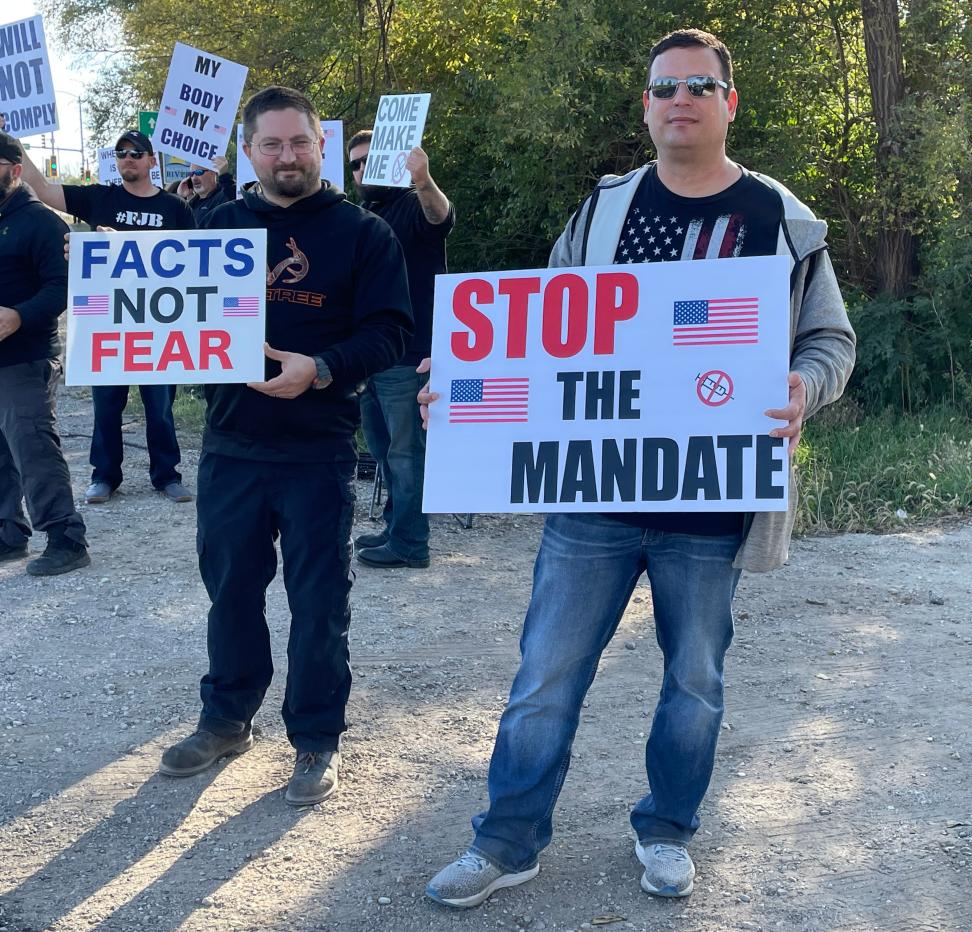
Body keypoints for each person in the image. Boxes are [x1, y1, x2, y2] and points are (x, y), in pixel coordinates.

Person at [424, 28, 856, 907]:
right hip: (595, 493)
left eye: (700, 86)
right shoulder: (606, 209)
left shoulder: (781, 218)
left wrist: (803, 389)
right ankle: (507, 840)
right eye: (666, 88)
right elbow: (536, 333)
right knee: (545, 675)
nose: (681, 100)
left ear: (729, 103)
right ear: (647, 106)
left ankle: (667, 829)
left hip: (712, 497)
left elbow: (830, 341)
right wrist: (467, 392)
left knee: (694, 682)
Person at [157, 86, 413, 806]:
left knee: (319, 601)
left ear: (320, 144)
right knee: (231, 591)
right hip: (234, 446)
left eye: (298, 142)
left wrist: (322, 368)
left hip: (318, 450)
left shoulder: (364, 233)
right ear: (250, 152)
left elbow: (392, 330)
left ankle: (316, 739)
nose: (286, 156)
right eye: (271, 145)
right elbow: (172, 320)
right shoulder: (217, 225)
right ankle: (227, 717)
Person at [20, 129, 195, 505]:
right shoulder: (99, 197)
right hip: (108, 324)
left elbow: (195, 263)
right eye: (121, 153)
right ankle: (104, 477)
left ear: (152, 161)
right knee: (106, 406)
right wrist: (14, 140)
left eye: (137, 152)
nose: (128, 158)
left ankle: (167, 476)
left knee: (160, 408)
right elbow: (41, 187)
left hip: (158, 325)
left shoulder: (176, 209)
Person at [347, 130, 453, 568]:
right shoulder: (360, 216)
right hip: (370, 357)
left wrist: (424, 180)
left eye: (371, 159)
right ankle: (396, 527)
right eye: (355, 164)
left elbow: (441, 217)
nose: (363, 169)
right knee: (384, 450)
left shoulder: (412, 204)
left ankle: (412, 543)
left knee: (406, 455)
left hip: (410, 356)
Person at [0, 132, 91, 577]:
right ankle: (8, 532)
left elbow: (63, 288)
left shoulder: (42, 223)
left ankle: (65, 537)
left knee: (32, 446)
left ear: (15, 171)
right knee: (2, 451)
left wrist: (18, 315)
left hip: (27, 356)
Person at [178, 154, 236, 225]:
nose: (194, 178)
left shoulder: (224, 196)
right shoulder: (192, 204)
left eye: (199, 172)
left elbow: (234, 196)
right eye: (191, 174)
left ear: (213, 172)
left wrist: (224, 175)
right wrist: (181, 198)